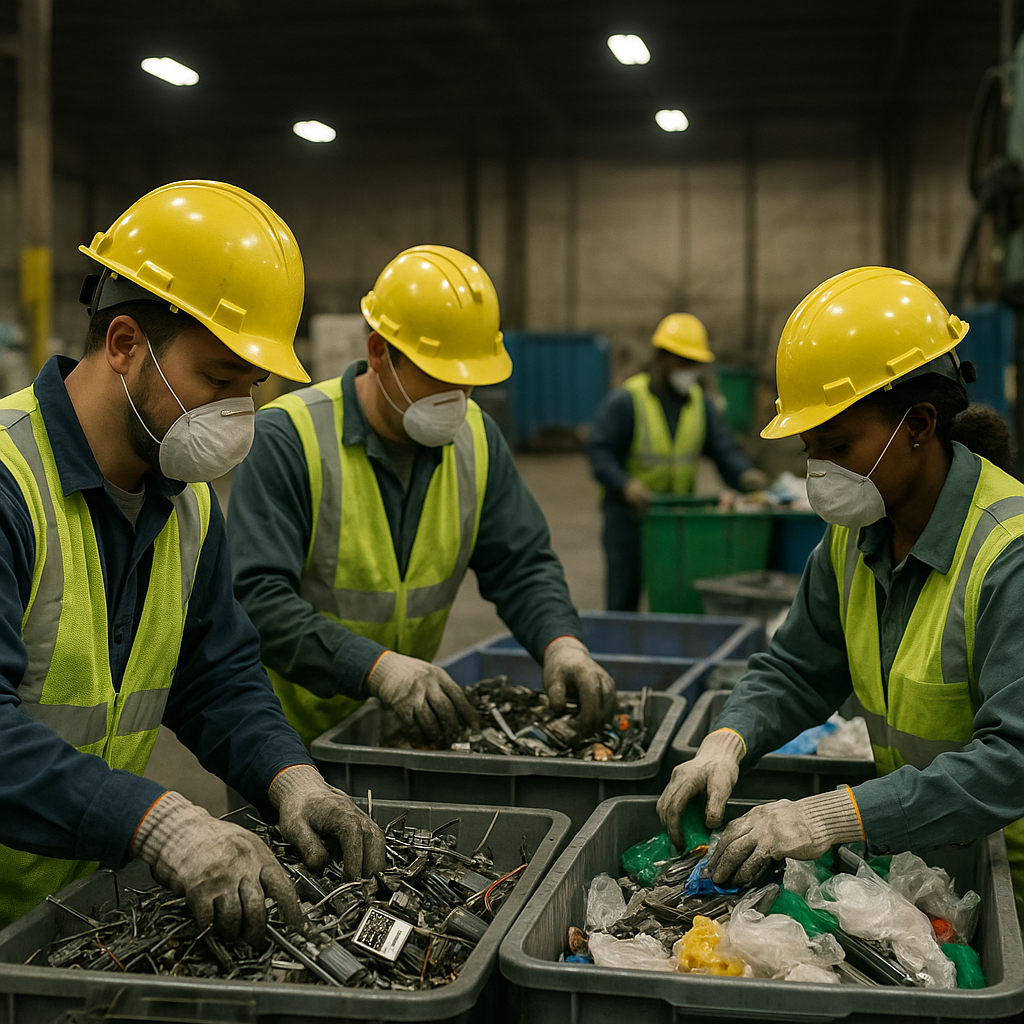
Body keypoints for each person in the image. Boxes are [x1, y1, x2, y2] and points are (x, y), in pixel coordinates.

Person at [0, 180, 384, 938]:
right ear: (124, 346)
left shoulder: (186, 498)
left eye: (251, 387)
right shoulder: (11, 485)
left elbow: (215, 674)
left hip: (68, 920)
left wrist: (289, 776)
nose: (236, 415)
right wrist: (157, 822)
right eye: (217, 379)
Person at [656, 266, 1024, 917]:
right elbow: (800, 664)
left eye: (838, 444)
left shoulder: (1007, 555)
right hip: (930, 867)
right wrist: (730, 738)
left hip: (1010, 884)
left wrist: (834, 815)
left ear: (919, 424)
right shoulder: (856, 537)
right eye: (808, 449)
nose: (819, 471)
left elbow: (1012, 759)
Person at [227, 244, 616, 751]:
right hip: (288, 736)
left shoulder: (477, 437)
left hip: (403, 732)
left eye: (467, 380)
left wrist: (561, 644)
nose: (455, 397)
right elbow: (257, 599)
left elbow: (521, 565)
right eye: (438, 375)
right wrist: (377, 668)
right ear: (378, 353)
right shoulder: (290, 437)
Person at [586, 313, 769, 611]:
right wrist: (626, 485)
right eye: (684, 362)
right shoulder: (627, 401)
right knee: (623, 600)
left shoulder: (700, 404)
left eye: (695, 363)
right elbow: (599, 450)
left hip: (674, 522)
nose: (690, 371)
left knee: (673, 599)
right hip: (628, 520)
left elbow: (722, 447)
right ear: (662, 359)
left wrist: (745, 475)